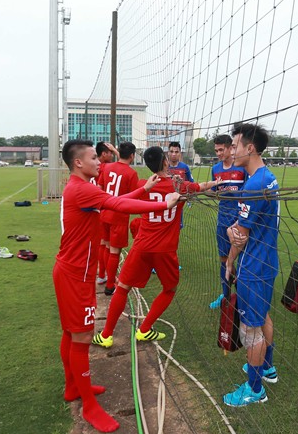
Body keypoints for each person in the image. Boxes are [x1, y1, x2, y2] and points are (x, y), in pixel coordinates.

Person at [53, 139, 180, 433]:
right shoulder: (81, 188)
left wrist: (145, 190)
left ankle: (73, 387)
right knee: (82, 337)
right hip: (75, 274)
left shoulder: (81, 186)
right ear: (78, 164)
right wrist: (162, 202)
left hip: (72, 271)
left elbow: (115, 201)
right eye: (94, 158)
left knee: (71, 333)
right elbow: (118, 204)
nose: (100, 162)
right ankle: (88, 406)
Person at [92, 146, 217, 348]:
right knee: (170, 288)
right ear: (166, 162)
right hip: (165, 250)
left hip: (142, 246)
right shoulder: (180, 187)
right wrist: (216, 182)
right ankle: (144, 329)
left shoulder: (144, 185)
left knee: (122, 288)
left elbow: (121, 201)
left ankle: (106, 335)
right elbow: (201, 186)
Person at [223, 123, 280, 407]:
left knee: (250, 331)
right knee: (263, 316)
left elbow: (239, 236)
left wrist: (230, 259)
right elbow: (246, 225)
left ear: (250, 148)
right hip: (267, 262)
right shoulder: (267, 177)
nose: (232, 151)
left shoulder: (255, 184)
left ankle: (255, 389)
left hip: (254, 267)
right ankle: (266, 367)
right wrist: (237, 229)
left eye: (235, 145)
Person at [209, 134, 247, 309]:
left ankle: (243, 296)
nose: (218, 153)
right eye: (216, 150)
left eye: (221, 149)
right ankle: (225, 295)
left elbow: (248, 194)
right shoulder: (216, 169)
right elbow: (215, 193)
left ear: (230, 148)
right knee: (223, 258)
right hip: (223, 218)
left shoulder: (241, 168)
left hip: (240, 219)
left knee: (243, 259)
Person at [98, 142, 140, 296]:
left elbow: (100, 188)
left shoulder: (107, 167)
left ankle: (102, 275)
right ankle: (110, 285)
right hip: (119, 215)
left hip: (104, 211)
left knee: (105, 245)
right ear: (132, 156)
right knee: (114, 251)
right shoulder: (131, 173)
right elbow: (135, 196)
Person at [94, 141, 120, 284]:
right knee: (112, 248)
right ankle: (110, 281)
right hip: (109, 208)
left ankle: (101, 275)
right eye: (109, 152)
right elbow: (125, 161)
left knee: (102, 243)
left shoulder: (92, 166)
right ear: (104, 154)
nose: (111, 155)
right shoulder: (106, 167)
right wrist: (116, 151)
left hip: (97, 209)